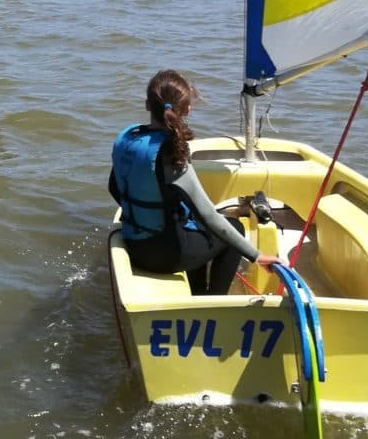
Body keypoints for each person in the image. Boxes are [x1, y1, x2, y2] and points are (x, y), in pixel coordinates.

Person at [109, 69, 284, 296]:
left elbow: (114, 188)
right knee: (234, 230)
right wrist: (257, 256)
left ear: (146, 105)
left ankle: (197, 292)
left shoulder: (127, 137)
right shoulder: (170, 152)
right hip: (162, 255)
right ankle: (215, 304)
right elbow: (209, 216)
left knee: (194, 230)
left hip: (133, 243)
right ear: (187, 109)